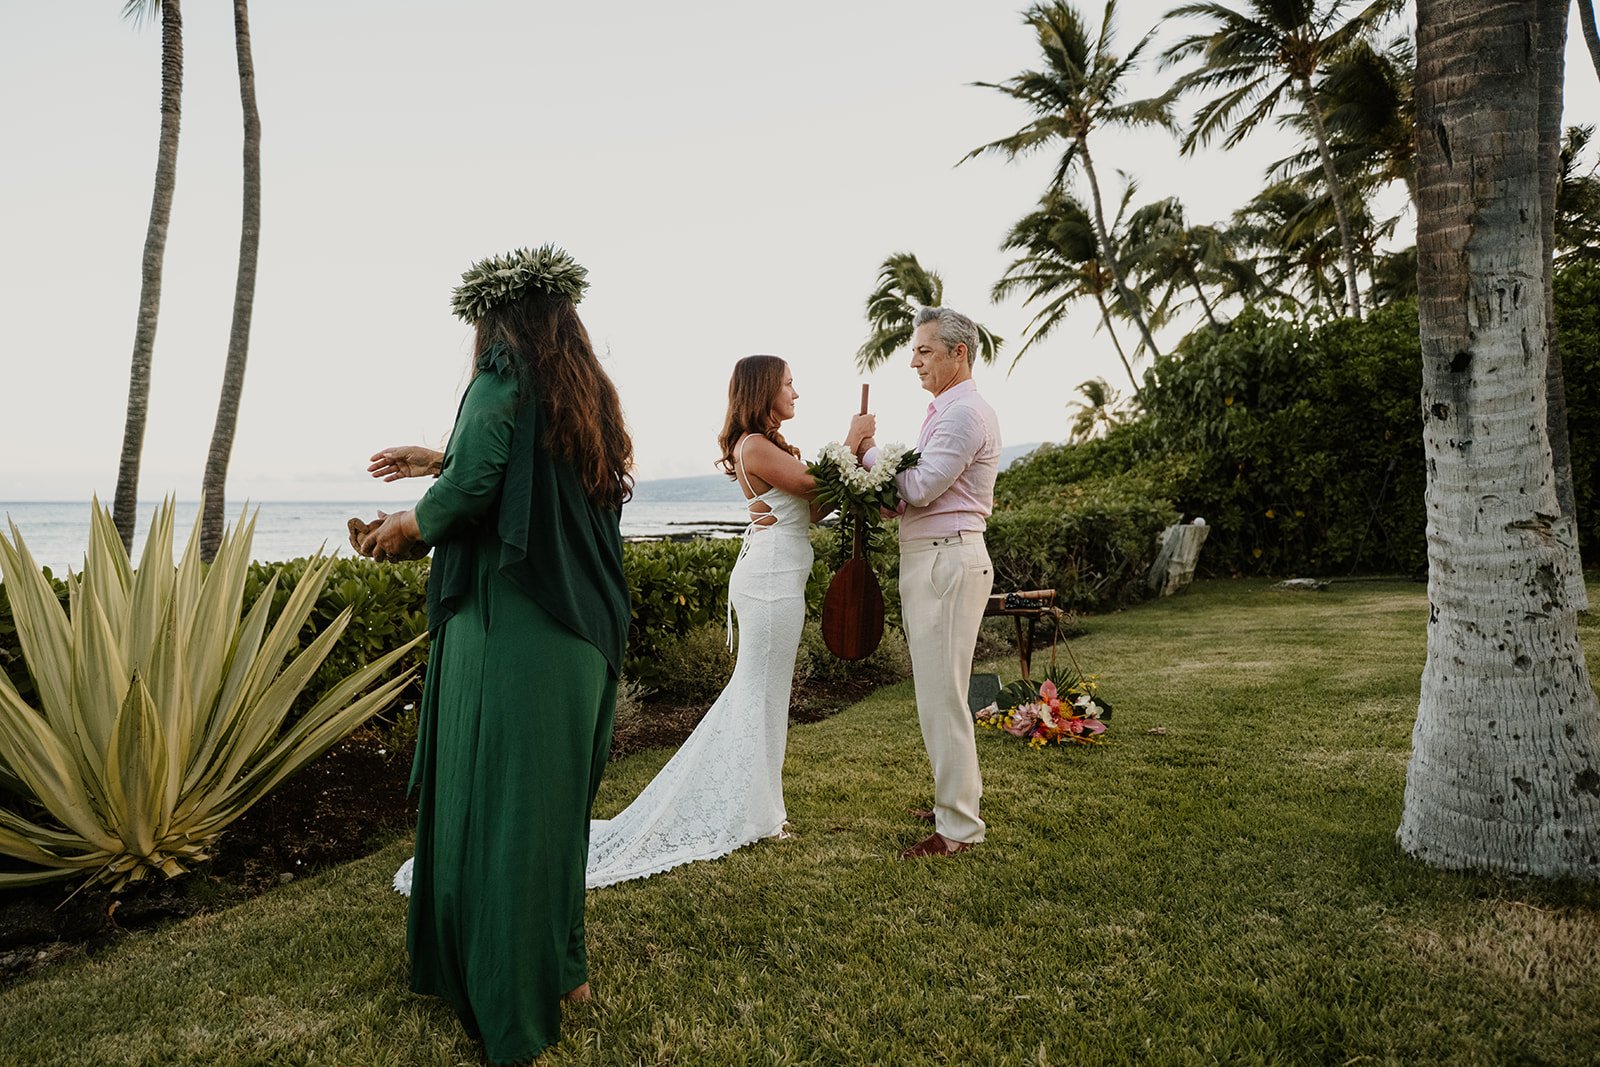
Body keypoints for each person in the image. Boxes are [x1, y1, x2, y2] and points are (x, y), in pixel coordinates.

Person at [359, 244, 632, 1064]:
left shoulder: (502, 367)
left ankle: (508, 1007)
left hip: (514, 627)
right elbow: (520, 470)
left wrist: (402, 527)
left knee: (502, 814)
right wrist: (438, 458)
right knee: (551, 815)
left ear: (496, 320)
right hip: (581, 633)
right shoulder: (587, 397)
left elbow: (479, 483)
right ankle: (566, 969)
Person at [584, 354, 873, 886]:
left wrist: (841, 471)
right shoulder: (755, 445)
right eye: (789, 384)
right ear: (764, 390)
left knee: (765, 697)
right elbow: (814, 485)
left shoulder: (769, 447)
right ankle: (759, 813)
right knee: (758, 695)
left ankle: (762, 808)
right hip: (767, 586)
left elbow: (811, 509)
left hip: (779, 578)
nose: (796, 393)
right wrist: (853, 441)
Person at [855, 306, 1000, 859]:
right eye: (915, 350)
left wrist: (866, 450)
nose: (913, 361)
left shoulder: (964, 414)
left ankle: (958, 829)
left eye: (925, 351)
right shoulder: (947, 410)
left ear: (958, 353)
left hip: (946, 560)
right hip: (934, 555)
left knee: (941, 697)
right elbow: (920, 494)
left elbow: (921, 486)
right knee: (942, 692)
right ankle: (953, 799)